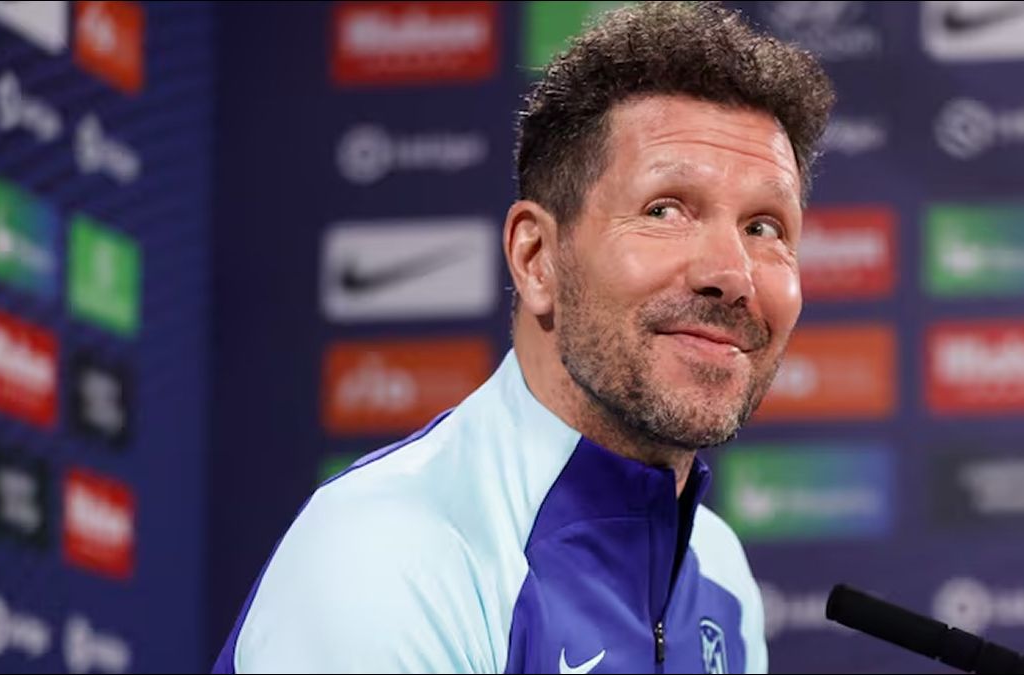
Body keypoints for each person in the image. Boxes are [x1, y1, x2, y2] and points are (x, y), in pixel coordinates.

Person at [212, 2, 834, 673]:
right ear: (537, 260)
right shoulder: (388, 557)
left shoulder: (720, 572)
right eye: (665, 210)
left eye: (765, 227)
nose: (733, 274)